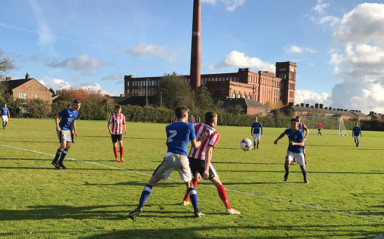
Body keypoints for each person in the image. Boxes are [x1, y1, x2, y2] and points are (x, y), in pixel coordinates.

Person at [128, 106, 206, 220]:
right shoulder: (190, 126)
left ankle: (140, 207)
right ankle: (197, 210)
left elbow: (167, 142)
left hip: (170, 157)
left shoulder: (168, 127)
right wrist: (202, 139)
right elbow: (195, 145)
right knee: (189, 185)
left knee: (151, 182)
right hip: (183, 158)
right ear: (185, 116)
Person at [180, 111, 241, 215]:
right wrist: (207, 169)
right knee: (218, 183)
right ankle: (229, 208)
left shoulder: (195, 126)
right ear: (213, 120)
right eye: (217, 118)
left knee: (196, 178)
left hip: (190, 158)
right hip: (202, 160)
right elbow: (209, 151)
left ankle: (185, 200)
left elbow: (184, 129)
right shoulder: (214, 134)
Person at [274, 118, 308, 183]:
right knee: (286, 162)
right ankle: (287, 173)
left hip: (299, 152)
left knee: (302, 167)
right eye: (292, 124)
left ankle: (305, 178)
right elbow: (283, 134)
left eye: (294, 124)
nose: (293, 125)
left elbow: (302, 143)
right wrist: (277, 139)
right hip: (290, 151)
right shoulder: (288, 130)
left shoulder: (300, 132)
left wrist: (294, 143)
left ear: (297, 125)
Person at [51, 100, 81, 169]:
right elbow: (56, 116)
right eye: (77, 105)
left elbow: (73, 121)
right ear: (73, 104)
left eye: (79, 105)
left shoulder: (76, 112)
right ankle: (55, 161)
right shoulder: (67, 110)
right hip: (62, 129)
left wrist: (74, 130)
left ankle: (60, 162)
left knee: (68, 146)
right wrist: (57, 126)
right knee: (63, 146)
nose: (78, 107)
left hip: (67, 129)